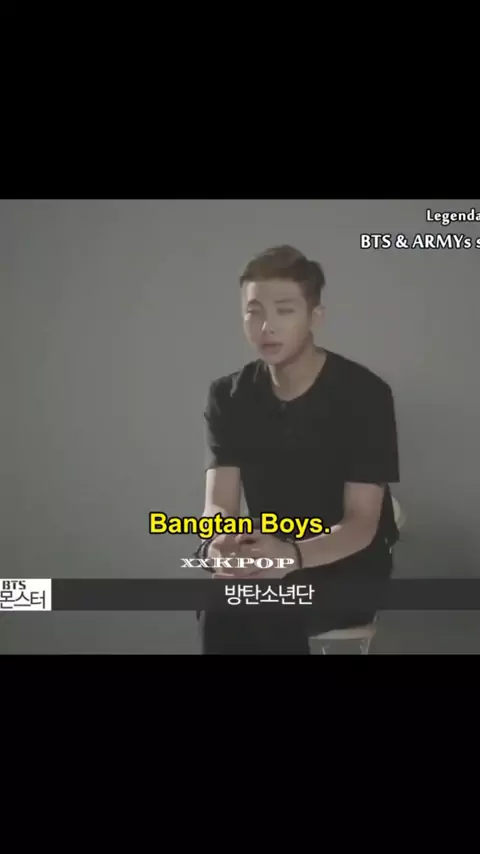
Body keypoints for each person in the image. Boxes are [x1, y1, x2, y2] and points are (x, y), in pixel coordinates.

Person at [196, 245, 400, 654]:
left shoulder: (365, 394)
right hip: (270, 549)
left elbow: (361, 523)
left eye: (284, 310)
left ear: (314, 316)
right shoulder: (229, 396)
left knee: (272, 606)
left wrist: (290, 556)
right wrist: (219, 544)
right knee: (221, 603)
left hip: (347, 564)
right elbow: (219, 505)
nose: (266, 326)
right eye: (254, 312)